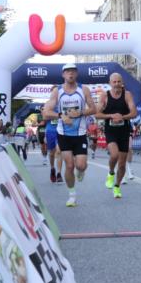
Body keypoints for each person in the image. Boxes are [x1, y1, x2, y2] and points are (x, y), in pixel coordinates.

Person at [42, 63, 95, 207]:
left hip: (80, 133)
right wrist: (60, 115)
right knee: (69, 165)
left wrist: (81, 113)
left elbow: (93, 108)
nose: (70, 74)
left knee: (81, 165)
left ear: (76, 73)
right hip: (64, 134)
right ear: (63, 75)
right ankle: (72, 195)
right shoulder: (57, 92)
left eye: (72, 71)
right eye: (67, 71)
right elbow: (46, 112)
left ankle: (81, 171)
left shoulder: (84, 90)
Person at [96, 72, 137, 199]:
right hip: (111, 131)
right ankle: (110, 172)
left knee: (122, 164)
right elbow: (97, 114)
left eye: (118, 81)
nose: (116, 84)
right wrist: (111, 116)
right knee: (114, 155)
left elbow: (134, 112)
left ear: (122, 83)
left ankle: (117, 186)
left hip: (124, 130)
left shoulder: (127, 95)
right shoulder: (105, 96)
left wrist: (122, 117)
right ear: (110, 83)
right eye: (114, 82)